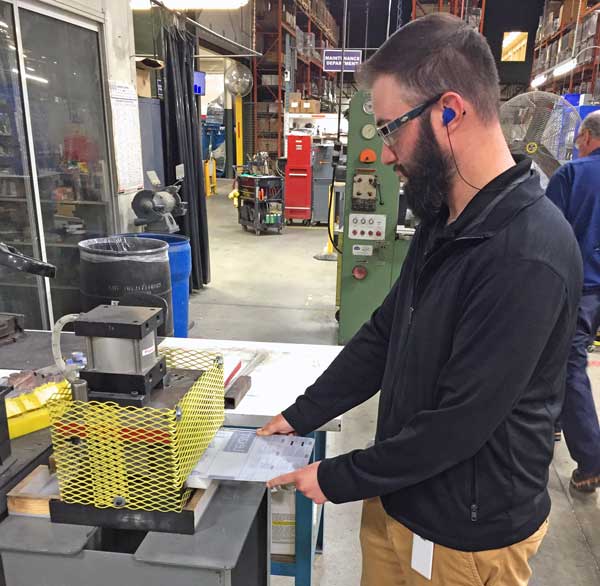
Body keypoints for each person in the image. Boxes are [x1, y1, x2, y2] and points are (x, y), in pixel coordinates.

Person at [258, 13, 583, 586]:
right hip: (399, 498)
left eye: (390, 129)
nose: (384, 152)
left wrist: (336, 478)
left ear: (449, 111)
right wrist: (301, 415)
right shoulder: (447, 216)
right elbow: (386, 333)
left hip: (465, 536)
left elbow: (459, 425)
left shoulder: (526, 254)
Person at [546, 111, 600, 493]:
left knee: (568, 363)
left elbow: (545, 233)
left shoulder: (572, 175)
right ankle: (556, 421)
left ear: (585, 136)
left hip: (581, 289)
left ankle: (593, 460)